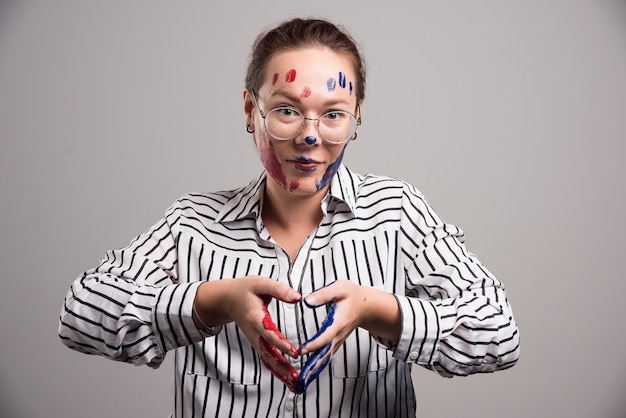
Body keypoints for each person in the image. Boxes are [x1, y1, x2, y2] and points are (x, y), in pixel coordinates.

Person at [58, 17, 520, 417]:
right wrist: (212, 301)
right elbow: (80, 314)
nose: (309, 136)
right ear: (249, 110)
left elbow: (499, 332)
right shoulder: (192, 223)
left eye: (333, 114)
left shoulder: (397, 214)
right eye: (286, 110)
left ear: (356, 117)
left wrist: (378, 310)